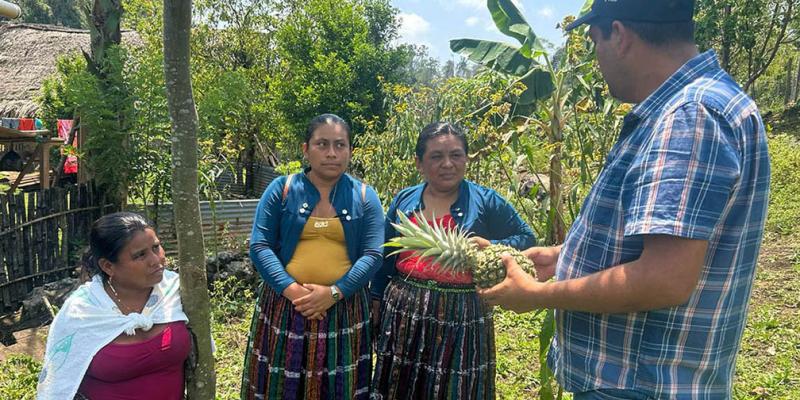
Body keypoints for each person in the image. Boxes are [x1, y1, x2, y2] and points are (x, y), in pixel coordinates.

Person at [479, 1, 771, 399]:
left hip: (639, 383)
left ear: (619, 34)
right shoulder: (699, 104)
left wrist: (537, 296)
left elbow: (665, 278)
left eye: (594, 40)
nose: (596, 58)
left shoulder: (689, 115)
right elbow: (661, 240)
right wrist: (564, 256)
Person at [370, 122, 536, 399]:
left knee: (456, 386)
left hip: (463, 314)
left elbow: (526, 237)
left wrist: (491, 245)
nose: (447, 164)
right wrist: (376, 297)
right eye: (436, 156)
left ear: (466, 159)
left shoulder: (486, 200)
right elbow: (385, 254)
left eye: (456, 155)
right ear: (419, 162)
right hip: (404, 312)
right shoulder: (405, 200)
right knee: (401, 384)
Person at [241, 114, 384, 399]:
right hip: (286, 307)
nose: (332, 153)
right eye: (322, 144)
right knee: (279, 385)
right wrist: (296, 293)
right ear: (305, 149)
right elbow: (260, 246)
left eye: (340, 145)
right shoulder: (281, 189)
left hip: (343, 309)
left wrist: (334, 293)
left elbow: (373, 253)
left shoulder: (365, 196)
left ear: (350, 151)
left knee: (341, 383)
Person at [37, 212, 191, 400]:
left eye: (156, 247)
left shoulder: (175, 291)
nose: (156, 260)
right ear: (108, 266)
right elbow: (58, 382)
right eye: (140, 255)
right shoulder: (82, 312)